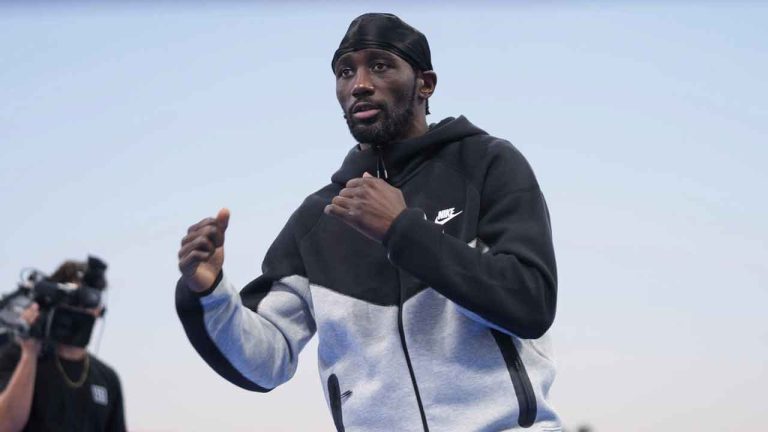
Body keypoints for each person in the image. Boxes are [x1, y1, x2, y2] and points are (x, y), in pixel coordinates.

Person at [176, 12, 560, 431]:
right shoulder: (317, 219)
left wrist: (402, 230)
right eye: (345, 72)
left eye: (379, 65)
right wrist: (209, 291)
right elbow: (266, 361)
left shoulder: (486, 163)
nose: (358, 84)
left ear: (425, 84)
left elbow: (530, 302)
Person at [0, 260, 126, 432]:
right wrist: (29, 353)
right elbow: (5, 426)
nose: (81, 309)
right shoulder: (16, 356)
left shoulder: (107, 379)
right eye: (74, 300)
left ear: (98, 310)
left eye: (89, 301)